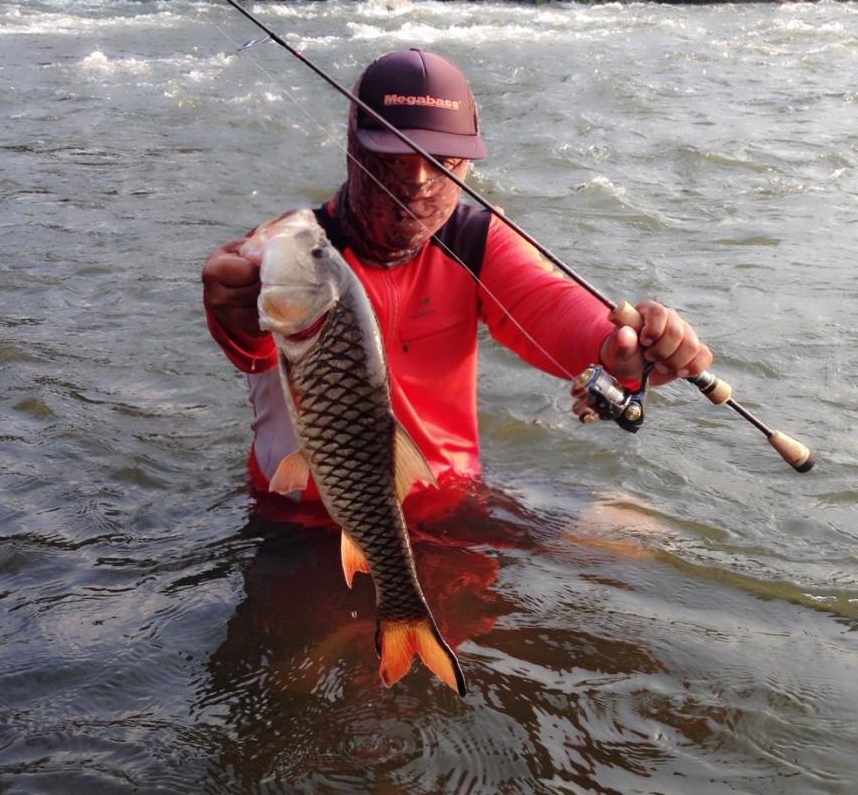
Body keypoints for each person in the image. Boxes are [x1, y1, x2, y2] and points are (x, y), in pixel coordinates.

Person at [202, 48, 712, 518]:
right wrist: (235, 312)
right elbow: (255, 346)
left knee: (641, 529)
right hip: (302, 520)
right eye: (394, 160)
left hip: (451, 506)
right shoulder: (293, 253)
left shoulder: (478, 242)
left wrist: (619, 350)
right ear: (354, 151)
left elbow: (553, 305)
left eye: (444, 162)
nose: (421, 181)